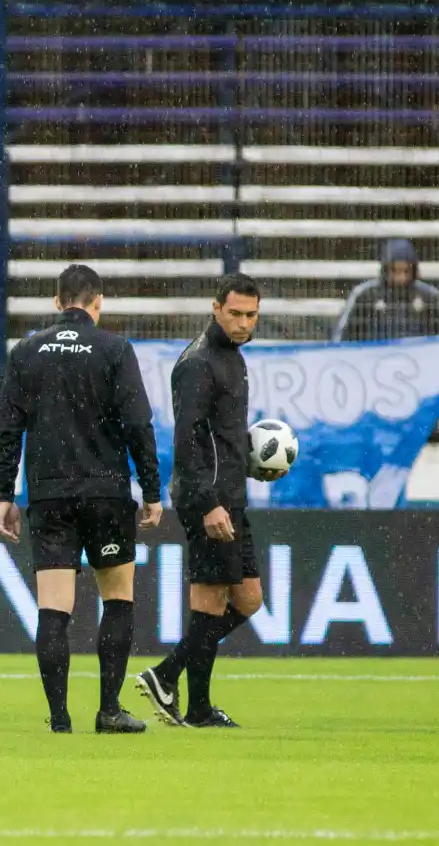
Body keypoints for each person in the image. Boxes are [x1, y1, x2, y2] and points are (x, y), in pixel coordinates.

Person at [0, 264, 162, 735]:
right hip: (106, 493)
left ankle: (60, 718)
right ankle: (109, 710)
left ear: (56, 302)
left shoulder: (26, 352)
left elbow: (8, 430)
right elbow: (138, 425)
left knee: (54, 608)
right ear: (98, 302)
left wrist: (4, 493)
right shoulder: (114, 349)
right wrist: (151, 489)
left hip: (49, 495)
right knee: (117, 599)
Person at [135, 273, 285, 729]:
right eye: (235, 313)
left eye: (251, 315)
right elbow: (188, 442)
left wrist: (251, 457)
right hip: (210, 501)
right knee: (211, 602)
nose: (243, 323)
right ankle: (181, 690)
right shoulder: (199, 363)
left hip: (230, 496)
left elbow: (218, 437)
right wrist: (207, 503)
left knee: (249, 598)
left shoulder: (232, 358)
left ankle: (179, 685)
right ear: (215, 308)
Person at [332, 238, 439, 342]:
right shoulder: (364, 294)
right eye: (396, 272)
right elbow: (341, 336)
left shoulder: (428, 296)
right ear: (385, 270)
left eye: (406, 271)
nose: (401, 277)